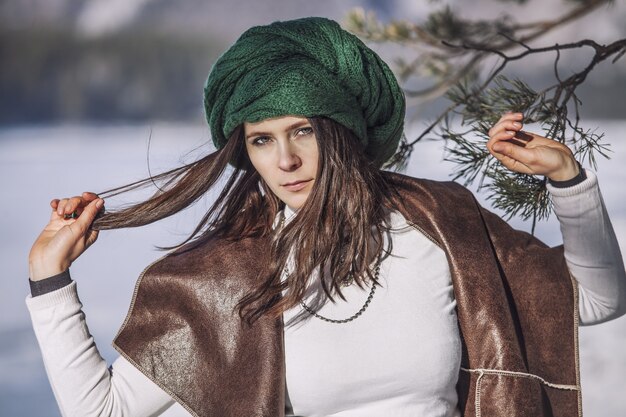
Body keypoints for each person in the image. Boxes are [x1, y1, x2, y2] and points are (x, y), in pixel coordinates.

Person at [27, 17, 625, 417]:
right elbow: (102, 410)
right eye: (260, 141)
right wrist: (49, 279)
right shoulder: (232, 273)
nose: (283, 160)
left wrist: (569, 181)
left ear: (341, 131)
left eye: (302, 131)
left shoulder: (439, 222)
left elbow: (599, 301)